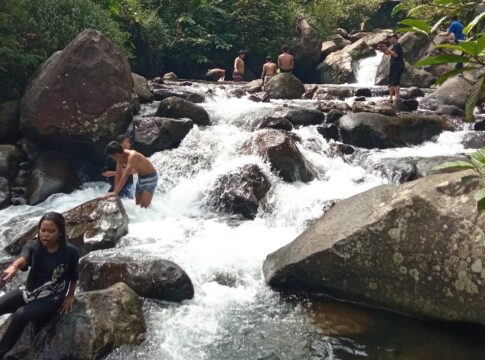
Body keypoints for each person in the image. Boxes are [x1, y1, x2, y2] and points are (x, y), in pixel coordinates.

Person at [0, 212, 79, 357]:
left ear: (60, 233)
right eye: (43, 230)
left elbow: (74, 275)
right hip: (29, 292)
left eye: (51, 231)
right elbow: (24, 258)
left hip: (51, 298)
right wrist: (14, 267)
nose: (45, 235)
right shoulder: (33, 246)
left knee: (20, 314)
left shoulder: (70, 252)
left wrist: (70, 295)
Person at [105, 141, 158, 208]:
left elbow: (125, 175)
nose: (112, 158)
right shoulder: (119, 158)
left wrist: (115, 192)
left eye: (112, 156)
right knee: (138, 206)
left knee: (144, 207)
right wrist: (116, 191)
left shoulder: (132, 155)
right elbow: (118, 173)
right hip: (141, 178)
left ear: (117, 154)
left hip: (151, 178)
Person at [102, 134, 134, 199]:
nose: (129, 144)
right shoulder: (111, 157)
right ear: (120, 144)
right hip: (116, 186)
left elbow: (137, 170)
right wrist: (117, 172)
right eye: (127, 142)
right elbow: (104, 173)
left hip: (128, 187)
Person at [378, 34, 404, 103]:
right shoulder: (394, 46)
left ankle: (392, 98)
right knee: (395, 81)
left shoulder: (397, 45)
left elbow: (395, 55)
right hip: (397, 65)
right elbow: (388, 53)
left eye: (390, 38)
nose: (389, 40)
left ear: (395, 38)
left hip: (397, 65)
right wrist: (383, 50)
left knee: (393, 81)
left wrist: (386, 49)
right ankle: (395, 97)